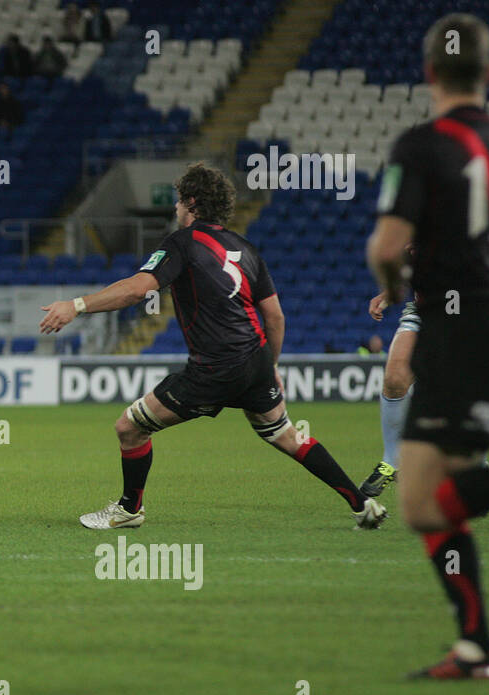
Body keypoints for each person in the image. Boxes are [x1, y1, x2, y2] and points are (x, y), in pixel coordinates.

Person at [39, 163, 386, 531]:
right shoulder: (246, 249)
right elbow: (276, 317)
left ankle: (129, 510)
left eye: (177, 202)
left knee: (129, 427)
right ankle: (362, 503)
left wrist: (75, 305)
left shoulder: (182, 243)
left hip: (216, 367)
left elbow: (139, 289)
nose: (175, 209)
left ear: (191, 202)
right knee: (287, 436)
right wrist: (271, 367)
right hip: (255, 361)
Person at [366, 13, 489, 680]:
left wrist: (394, 285)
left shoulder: (422, 145)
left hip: (465, 332)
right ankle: (476, 645)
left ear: (428, 74)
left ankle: (477, 644)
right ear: (488, 73)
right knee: (430, 496)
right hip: (482, 324)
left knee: (421, 502)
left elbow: (388, 247)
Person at [359, 285, 418, 497]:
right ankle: (391, 461)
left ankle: (478, 462)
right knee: (394, 379)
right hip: (423, 311)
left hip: (468, 313)